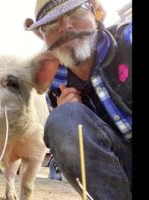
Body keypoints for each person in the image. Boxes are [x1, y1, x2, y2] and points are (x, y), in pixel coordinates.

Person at [24, 0, 132, 199]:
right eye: (51, 25)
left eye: (75, 13)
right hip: (121, 173)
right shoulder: (55, 89)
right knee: (63, 120)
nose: (65, 27)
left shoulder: (126, 41)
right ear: (43, 37)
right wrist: (68, 120)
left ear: (96, 13)